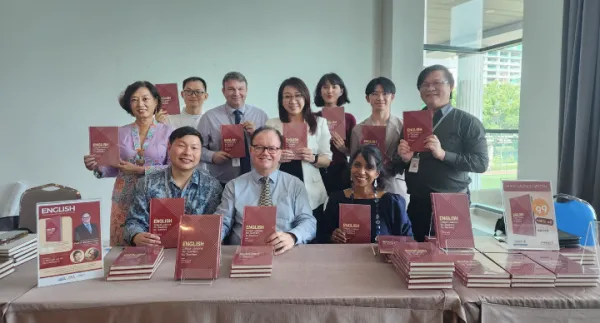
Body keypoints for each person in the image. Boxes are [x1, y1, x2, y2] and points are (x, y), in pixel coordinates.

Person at [398, 65, 488, 241]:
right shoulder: (412, 121)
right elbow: (401, 163)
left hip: (451, 200)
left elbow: (481, 163)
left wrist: (443, 154)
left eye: (437, 83)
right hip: (418, 201)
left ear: (451, 86)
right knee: (416, 254)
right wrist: (405, 159)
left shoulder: (467, 122)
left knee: (450, 255)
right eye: (425, 84)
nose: (430, 88)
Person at [83, 81, 173, 246]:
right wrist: (96, 166)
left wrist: (141, 170)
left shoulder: (169, 132)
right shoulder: (118, 132)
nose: (140, 104)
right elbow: (111, 166)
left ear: (156, 101)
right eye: (134, 100)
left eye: (145, 99)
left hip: (157, 194)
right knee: (123, 244)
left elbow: (174, 168)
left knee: (155, 243)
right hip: (124, 196)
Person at [216, 126, 316, 255]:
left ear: (280, 152)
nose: (265, 152)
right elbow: (223, 222)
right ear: (251, 150)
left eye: (272, 148)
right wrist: (211, 238)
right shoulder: (234, 186)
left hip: (284, 252)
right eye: (259, 147)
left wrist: (292, 236)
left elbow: (309, 222)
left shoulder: (294, 184)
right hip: (244, 254)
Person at [123, 126, 223, 246]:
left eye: (194, 148)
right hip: (155, 250)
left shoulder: (212, 187)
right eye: (181, 146)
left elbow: (215, 226)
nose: (187, 152)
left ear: (201, 152)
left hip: (196, 253)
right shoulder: (147, 183)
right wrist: (136, 236)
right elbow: (134, 221)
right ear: (169, 147)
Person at [266, 77, 331, 240]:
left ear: (305, 98)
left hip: (311, 189)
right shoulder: (272, 124)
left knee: (311, 234)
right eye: (287, 96)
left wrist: (313, 158)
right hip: (280, 185)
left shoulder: (320, 123)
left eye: (297, 95)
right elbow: (263, 156)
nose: (292, 100)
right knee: (282, 230)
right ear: (281, 100)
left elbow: (327, 159)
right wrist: (277, 156)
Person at [323, 145, 413, 243]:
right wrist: (332, 237)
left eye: (369, 167)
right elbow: (322, 235)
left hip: (380, 258)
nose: (361, 172)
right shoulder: (336, 199)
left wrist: (387, 243)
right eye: (357, 165)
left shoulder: (392, 203)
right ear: (350, 168)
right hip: (343, 257)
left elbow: (407, 240)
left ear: (377, 173)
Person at [197, 72, 268, 186]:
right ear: (223, 91)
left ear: (246, 90)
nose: (236, 93)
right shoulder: (209, 117)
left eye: (240, 89)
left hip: (256, 181)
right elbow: (197, 148)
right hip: (221, 182)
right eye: (231, 89)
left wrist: (256, 135)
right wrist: (212, 156)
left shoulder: (260, 115)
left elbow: (270, 148)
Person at [350, 77, 408, 203]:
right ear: (367, 98)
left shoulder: (403, 126)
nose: (380, 98)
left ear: (392, 97)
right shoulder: (358, 129)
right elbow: (354, 161)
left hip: (393, 183)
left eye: (385, 94)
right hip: (365, 185)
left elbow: (408, 160)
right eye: (375, 94)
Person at [313, 73, 357, 194]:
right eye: (325, 87)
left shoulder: (349, 118)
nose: (329, 91)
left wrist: (343, 148)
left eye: (334, 87)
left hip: (340, 170)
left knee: (339, 207)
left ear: (341, 91)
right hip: (317, 169)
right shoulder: (313, 118)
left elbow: (353, 152)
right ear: (320, 91)